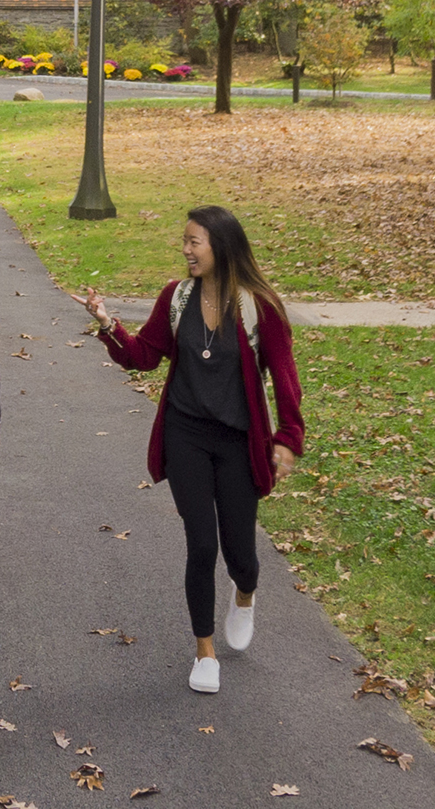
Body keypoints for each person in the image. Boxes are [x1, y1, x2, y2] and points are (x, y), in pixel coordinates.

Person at [77, 206, 303, 694]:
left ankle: (244, 594)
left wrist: (288, 438)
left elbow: (284, 378)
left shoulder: (257, 306)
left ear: (220, 245)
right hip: (186, 436)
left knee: (240, 551)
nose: (186, 250)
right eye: (184, 241)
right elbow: (144, 357)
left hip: (239, 442)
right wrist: (108, 323)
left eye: (194, 241)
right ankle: (204, 651)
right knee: (202, 544)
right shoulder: (176, 297)